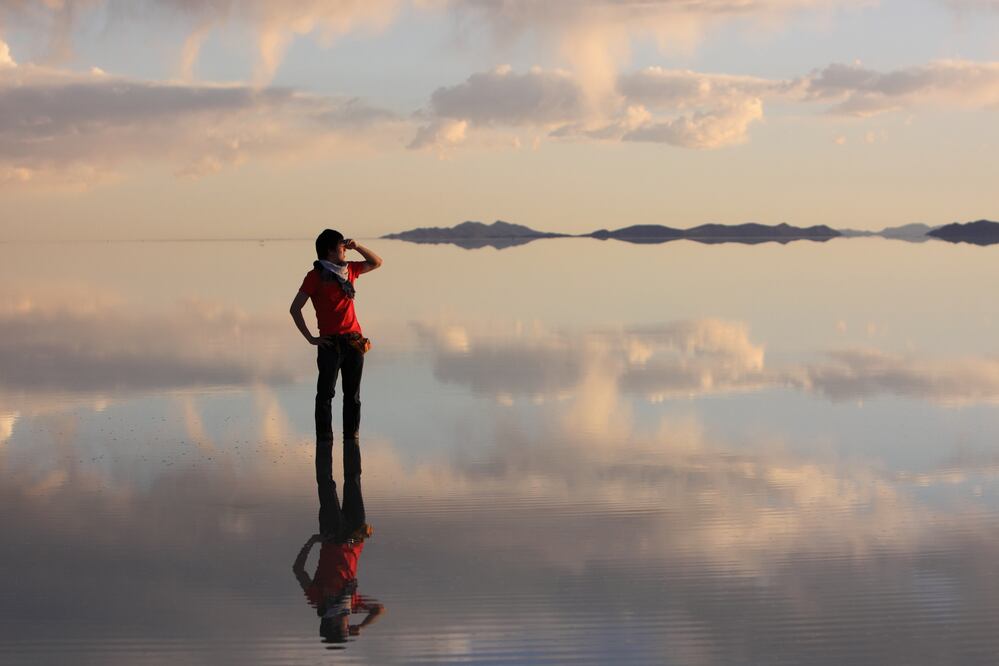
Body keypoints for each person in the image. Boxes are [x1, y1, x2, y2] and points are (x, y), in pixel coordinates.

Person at [290, 229, 382, 535]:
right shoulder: (315, 277)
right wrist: (312, 339)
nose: (345, 251)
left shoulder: (350, 269)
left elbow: (378, 262)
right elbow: (295, 308)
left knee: (352, 396)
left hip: (354, 343)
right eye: (342, 247)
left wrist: (359, 246)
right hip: (330, 345)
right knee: (325, 395)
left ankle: (351, 440)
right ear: (330, 251)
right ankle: (324, 440)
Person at [292, 469, 383, 645]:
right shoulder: (351, 605)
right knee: (353, 480)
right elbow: (378, 609)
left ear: (333, 625)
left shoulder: (319, 600)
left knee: (326, 484)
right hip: (354, 537)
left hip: (332, 536)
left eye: (344, 629)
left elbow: (298, 570)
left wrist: (312, 541)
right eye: (348, 630)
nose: (348, 627)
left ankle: (324, 440)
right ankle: (351, 439)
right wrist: (362, 627)